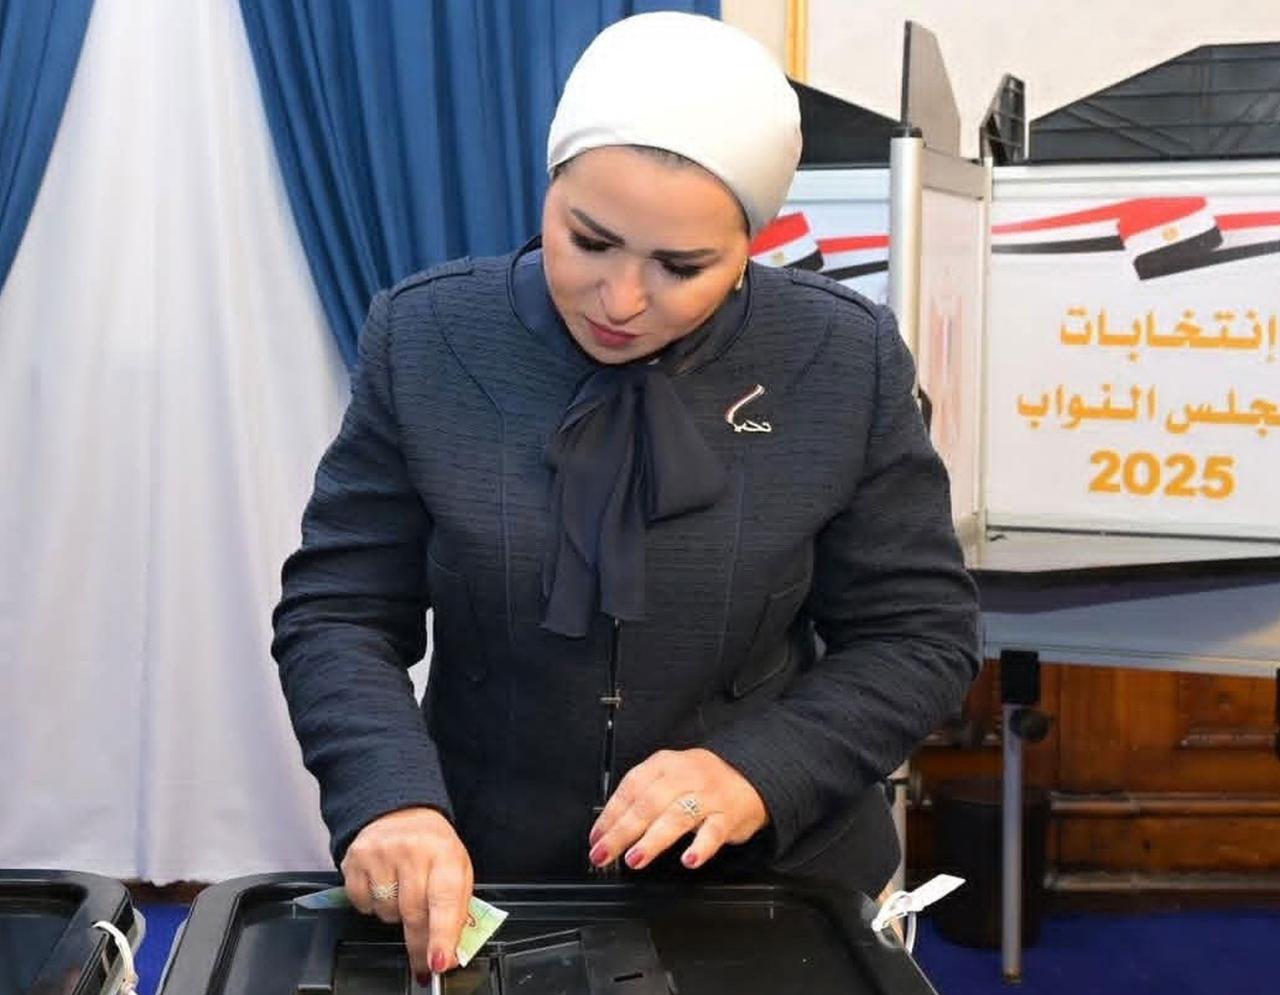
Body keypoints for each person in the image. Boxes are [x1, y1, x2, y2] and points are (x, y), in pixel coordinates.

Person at [271, 11, 979, 985]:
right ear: (548, 190)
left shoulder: (837, 359)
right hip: (490, 879)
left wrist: (755, 766)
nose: (619, 298)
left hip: (774, 884)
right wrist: (389, 798)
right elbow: (339, 609)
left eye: (680, 267)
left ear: (750, 242)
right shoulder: (429, 336)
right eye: (588, 240)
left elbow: (918, 634)